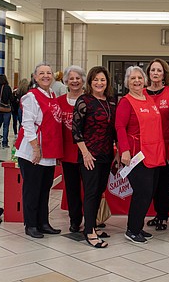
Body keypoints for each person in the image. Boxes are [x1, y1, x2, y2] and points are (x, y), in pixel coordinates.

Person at [116, 66, 166, 243]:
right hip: (136, 155)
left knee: (149, 191)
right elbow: (120, 127)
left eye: (139, 78)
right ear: (127, 82)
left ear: (144, 80)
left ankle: (137, 226)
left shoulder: (148, 99)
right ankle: (132, 230)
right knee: (142, 192)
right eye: (132, 79)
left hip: (154, 153)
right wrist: (125, 150)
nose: (136, 81)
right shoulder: (125, 102)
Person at [14, 62, 63, 239]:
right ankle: (31, 224)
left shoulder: (51, 94)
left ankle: (43, 222)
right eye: (41, 73)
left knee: (44, 188)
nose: (45, 76)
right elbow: (27, 124)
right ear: (35, 77)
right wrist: (35, 149)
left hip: (48, 150)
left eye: (49, 73)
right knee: (32, 189)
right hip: (33, 150)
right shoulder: (31, 97)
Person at [73, 66, 116, 248]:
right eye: (96, 80)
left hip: (106, 154)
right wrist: (85, 153)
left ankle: (92, 225)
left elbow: (114, 130)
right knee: (90, 193)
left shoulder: (111, 102)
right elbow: (76, 131)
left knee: (99, 192)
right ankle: (89, 231)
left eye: (103, 80)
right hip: (89, 155)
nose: (100, 83)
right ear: (90, 82)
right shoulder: (84, 101)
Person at [144, 58, 169, 231]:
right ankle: (149, 215)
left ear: (164, 74)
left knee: (164, 183)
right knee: (149, 183)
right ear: (148, 73)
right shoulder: (140, 93)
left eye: (159, 70)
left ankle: (162, 216)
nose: (155, 73)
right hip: (146, 147)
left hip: (165, 146)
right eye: (152, 70)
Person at [57, 65, 86, 233]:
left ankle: (92, 217)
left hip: (88, 153)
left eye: (78, 78)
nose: (75, 81)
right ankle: (75, 219)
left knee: (90, 188)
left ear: (83, 80)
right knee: (72, 188)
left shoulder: (90, 99)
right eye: (71, 78)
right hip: (67, 154)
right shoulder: (59, 102)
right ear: (66, 81)